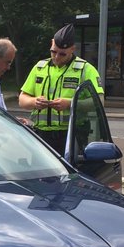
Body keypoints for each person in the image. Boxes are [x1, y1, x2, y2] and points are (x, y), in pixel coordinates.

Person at [18, 23, 104, 154]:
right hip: (41, 135)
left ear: (72, 49)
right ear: (51, 43)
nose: (56, 57)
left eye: (62, 54)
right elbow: (22, 99)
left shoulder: (85, 70)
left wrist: (70, 104)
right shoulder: (40, 67)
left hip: (72, 136)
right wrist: (34, 102)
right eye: (53, 52)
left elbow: (100, 102)